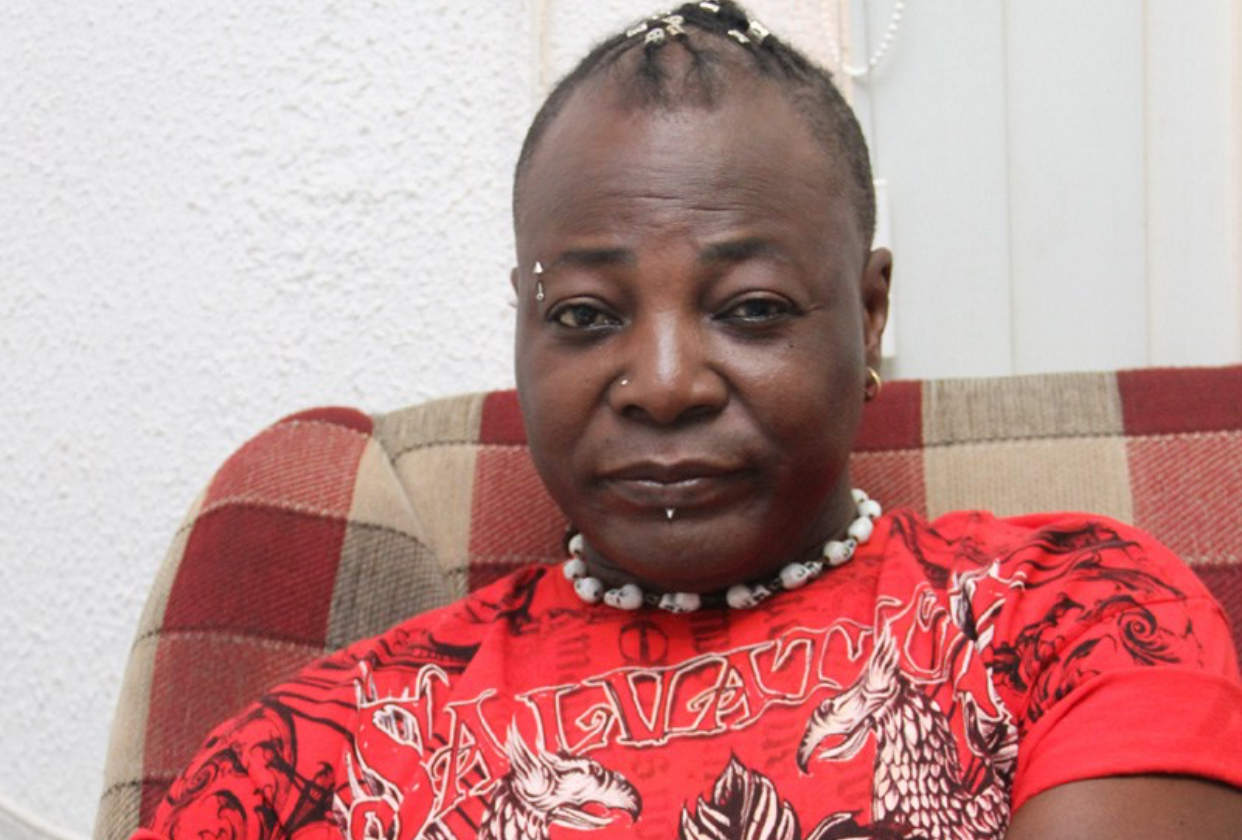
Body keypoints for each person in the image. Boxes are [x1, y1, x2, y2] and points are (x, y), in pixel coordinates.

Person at [129, 3, 1242, 839]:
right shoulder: (313, 753)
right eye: (585, 314)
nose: (663, 384)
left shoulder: (1076, 616)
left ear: (869, 312)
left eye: (751, 309)